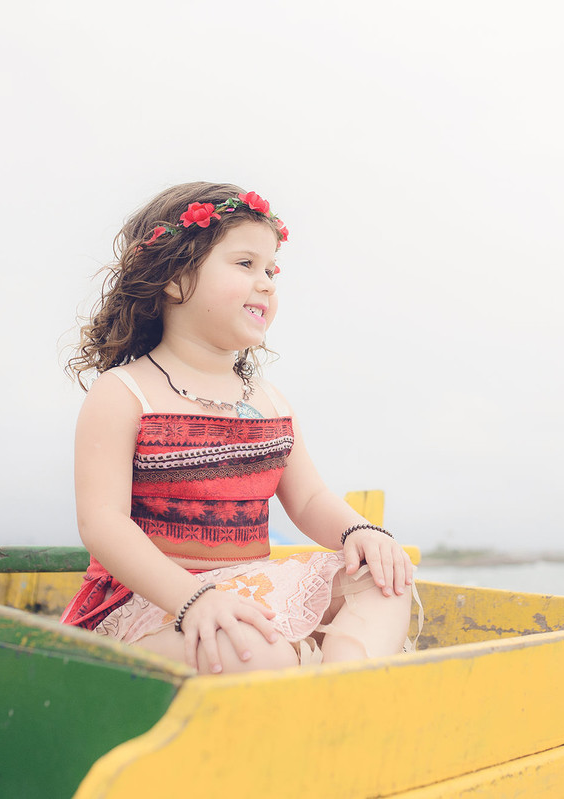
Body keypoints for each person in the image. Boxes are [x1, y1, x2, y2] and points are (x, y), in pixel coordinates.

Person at [61, 182, 415, 674]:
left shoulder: (267, 401)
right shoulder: (125, 393)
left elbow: (309, 499)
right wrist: (193, 597)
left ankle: (344, 684)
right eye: (246, 264)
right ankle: (293, 673)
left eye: (272, 269)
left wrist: (360, 530)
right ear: (174, 277)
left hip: (249, 588)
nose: (268, 282)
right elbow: (102, 523)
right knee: (253, 649)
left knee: (386, 579)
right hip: (152, 605)